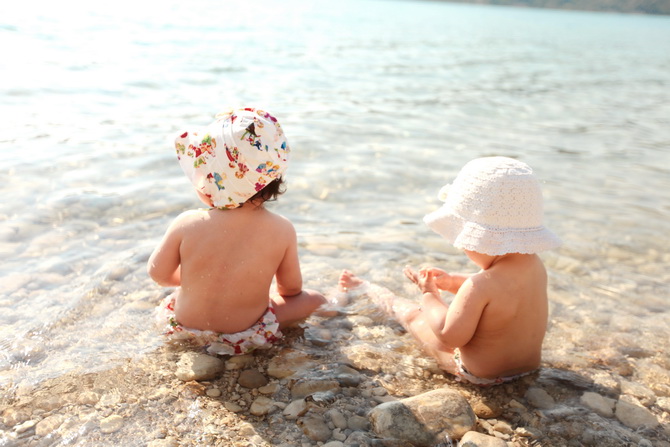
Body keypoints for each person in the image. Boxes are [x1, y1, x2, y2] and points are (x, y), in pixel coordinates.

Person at [339, 156, 561, 385]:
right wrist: (453, 281)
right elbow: (499, 295)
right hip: (528, 369)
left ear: (483, 238)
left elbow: (449, 335)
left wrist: (429, 295)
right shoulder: (535, 266)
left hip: (479, 375)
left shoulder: (481, 285)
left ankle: (369, 289)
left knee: (414, 315)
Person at [148, 107, 327, 356]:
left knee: (181, 295)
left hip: (183, 327)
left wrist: (195, 279)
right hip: (245, 336)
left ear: (212, 183)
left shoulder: (187, 222)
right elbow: (291, 290)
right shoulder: (282, 229)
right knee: (317, 299)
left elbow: (158, 274)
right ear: (273, 182)